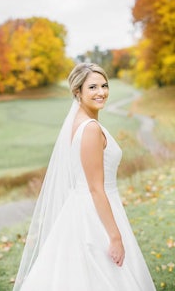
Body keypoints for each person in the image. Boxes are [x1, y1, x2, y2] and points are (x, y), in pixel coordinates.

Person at [13, 63, 156, 291]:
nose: (101, 92)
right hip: (93, 213)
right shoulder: (89, 128)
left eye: (104, 85)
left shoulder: (81, 122)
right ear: (77, 92)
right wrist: (115, 236)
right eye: (92, 87)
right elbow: (95, 189)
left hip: (86, 206)